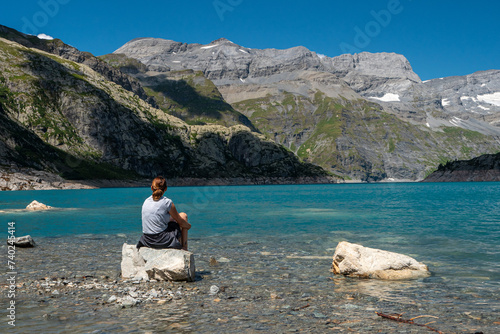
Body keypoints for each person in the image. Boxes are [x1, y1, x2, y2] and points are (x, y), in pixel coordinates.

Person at [137, 176, 191, 251]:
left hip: (147, 240)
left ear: (152, 188)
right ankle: (184, 248)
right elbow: (181, 222)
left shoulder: (146, 201)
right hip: (161, 240)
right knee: (183, 216)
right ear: (165, 189)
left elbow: (159, 216)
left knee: (174, 221)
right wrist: (188, 226)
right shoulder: (167, 202)